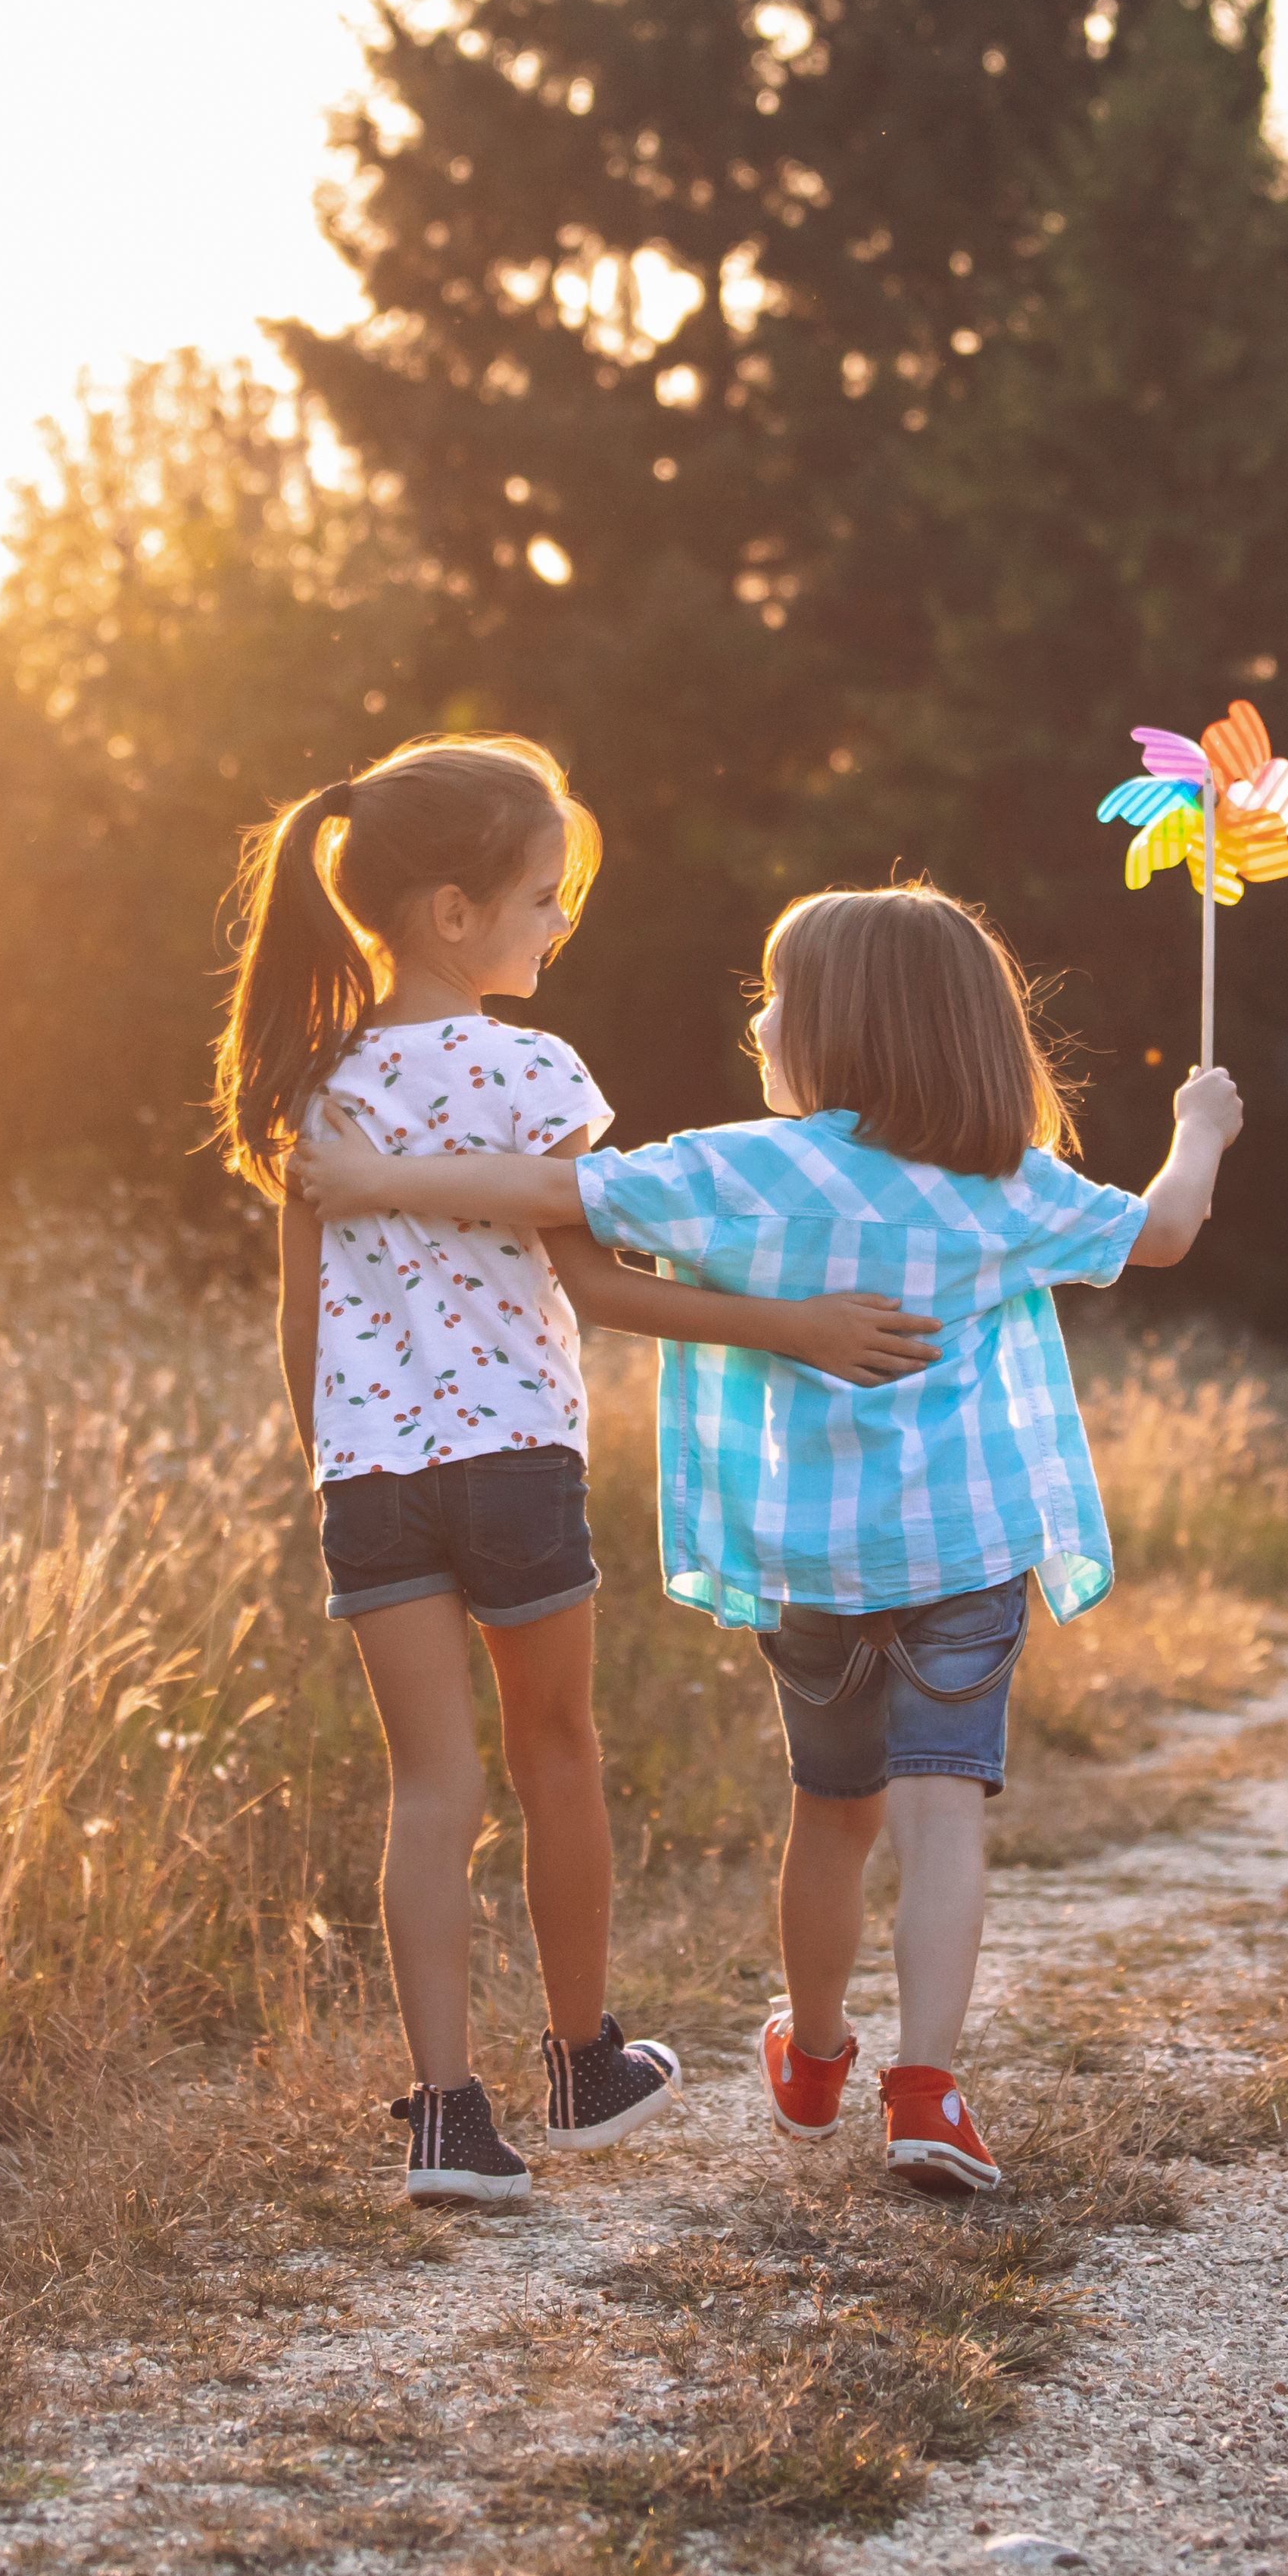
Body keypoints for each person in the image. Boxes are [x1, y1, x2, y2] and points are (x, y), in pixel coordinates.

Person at [298, 882, 1239, 2194]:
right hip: (966, 1552)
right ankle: (925, 2091)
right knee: (942, 1817)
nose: (762, 1020)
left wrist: (371, 1179)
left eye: (778, 997)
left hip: (815, 1564)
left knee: (832, 1814)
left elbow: (549, 1190)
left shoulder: (748, 1167)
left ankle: (814, 2053)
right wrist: (1198, 1129)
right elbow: (1170, 1229)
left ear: (842, 1030)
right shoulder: (1004, 1187)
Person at [214, 739, 946, 2206]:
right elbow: (602, 1290)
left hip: (372, 1481)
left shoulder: (317, 1090)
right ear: (449, 914)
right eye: (544, 899)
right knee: (558, 1760)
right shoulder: (532, 1070)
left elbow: (300, 1324)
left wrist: (335, 1466)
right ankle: (583, 2062)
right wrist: (790, 1324)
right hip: (515, 1466)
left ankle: (444, 2122)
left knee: (429, 1790)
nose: (562, 926)